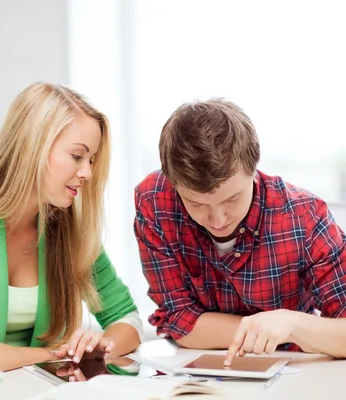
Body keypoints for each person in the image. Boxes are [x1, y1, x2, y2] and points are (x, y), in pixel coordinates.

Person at [0, 82, 144, 374]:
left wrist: (97, 346)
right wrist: (61, 354)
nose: (86, 172)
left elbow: (128, 318)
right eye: (77, 156)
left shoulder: (70, 228)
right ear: (32, 147)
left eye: (92, 160)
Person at [134, 98, 346, 366]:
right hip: (195, 373)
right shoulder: (155, 200)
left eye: (232, 199)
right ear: (174, 184)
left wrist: (290, 324)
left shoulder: (304, 216)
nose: (217, 220)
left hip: (293, 372)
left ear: (253, 170)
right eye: (196, 204)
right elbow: (179, 320)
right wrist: (261, 328)